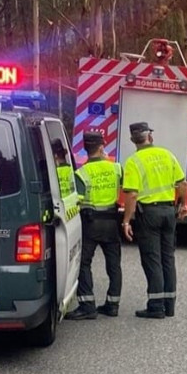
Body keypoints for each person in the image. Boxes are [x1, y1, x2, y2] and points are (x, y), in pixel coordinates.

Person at [120, 122, 187, 319]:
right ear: (151, 137)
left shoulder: (134, 161)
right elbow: (182, 183)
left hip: (149, 214)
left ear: (133, 140)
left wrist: (126, 221)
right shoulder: (167, 155)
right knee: (168, 257)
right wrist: (182, 205)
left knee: (152, 259)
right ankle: (169, 305)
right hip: (169, 212)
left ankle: (156, 306)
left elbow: (132, 194)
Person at [65, 131, 123, 320]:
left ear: (85, 148)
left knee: (84, 263)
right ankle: (113, 304)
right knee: (114, 264)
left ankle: (87, 305)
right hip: (112, 222)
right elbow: (129, 189)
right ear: (101, 147)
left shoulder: (81, 173)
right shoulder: (116, 168)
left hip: (90, 224)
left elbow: (77, 201)